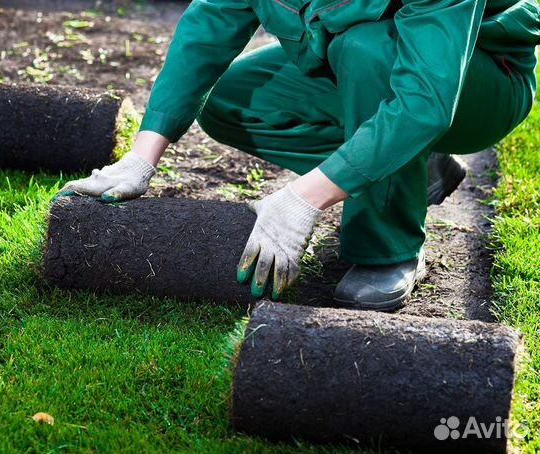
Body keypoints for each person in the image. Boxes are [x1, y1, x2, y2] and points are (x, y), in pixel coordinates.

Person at [56, 0, 540, 311]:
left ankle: (387, 250)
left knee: (368, 46)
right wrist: (142, 158)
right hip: (358, 68)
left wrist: (302, 198)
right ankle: (405, 162)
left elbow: (424, 103)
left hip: (475, 82)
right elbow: (208, 26)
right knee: (231, 101)